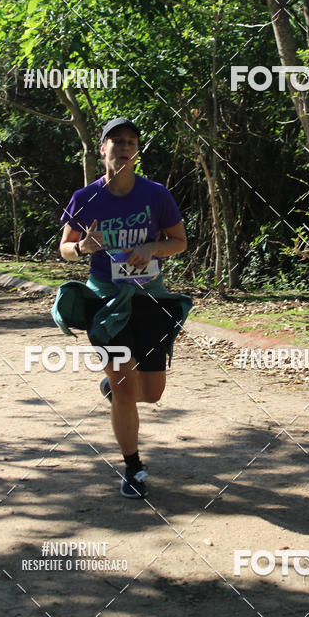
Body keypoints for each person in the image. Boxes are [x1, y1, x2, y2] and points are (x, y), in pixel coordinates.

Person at [54, 118, 192, 499]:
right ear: (103, 150)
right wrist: (83, 247)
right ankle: (133, 467)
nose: (125, 147)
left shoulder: (156, 194)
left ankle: (114, 390)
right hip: (106, 303)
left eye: (131, 141)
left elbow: (179, 241)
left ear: (137, 150)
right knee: (126, 387)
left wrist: (152, 248)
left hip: (151, 299)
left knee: (151, 392)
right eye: (117, 141)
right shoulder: (85, 198)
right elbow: (64, 248)